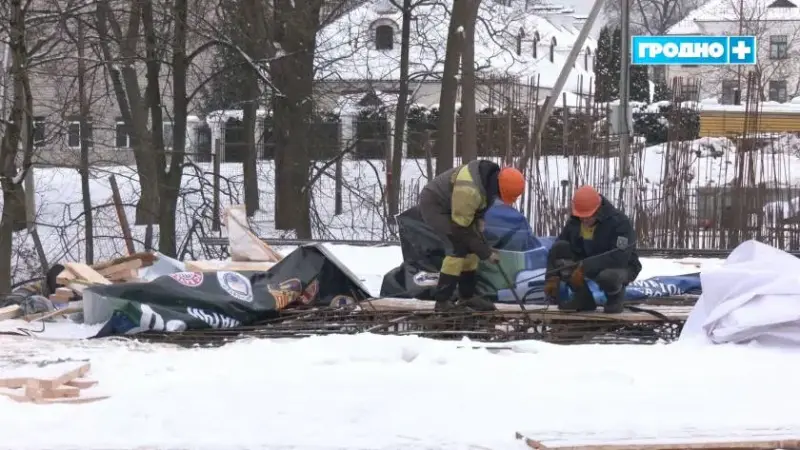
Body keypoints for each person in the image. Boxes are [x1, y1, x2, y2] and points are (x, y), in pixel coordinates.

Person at [417, 160, 525, 312]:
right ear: (502, 189)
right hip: (436, 205)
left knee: (472, 249)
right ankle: (442, 302)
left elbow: (479, 206)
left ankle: (467, 297)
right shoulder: (469, 189)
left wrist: (479, 223)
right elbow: (461, 229)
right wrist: (486, 253)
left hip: (457, 207)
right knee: (458, 247)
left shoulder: (491, 182)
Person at [543, 185, 641, 314]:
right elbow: (558, 248)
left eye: (588, 216)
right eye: (581, 216)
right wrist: (552, 276)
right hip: (587, 262)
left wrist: (585, 267)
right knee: (560, 248)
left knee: (608, 277)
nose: (584, 220)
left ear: (598, 210)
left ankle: (614, 296)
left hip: (620, 267)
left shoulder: (620, 223)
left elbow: (619, 258)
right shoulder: (575, 222)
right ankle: (584, 298)